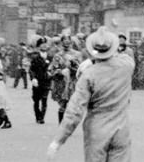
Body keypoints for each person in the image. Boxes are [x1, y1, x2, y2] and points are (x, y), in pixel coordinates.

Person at [48, 27, 134, 162]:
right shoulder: (126, 66)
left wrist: (58, 140)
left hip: (97, 129)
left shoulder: (89, 75)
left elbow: (75, 110)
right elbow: (123, 56)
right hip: (121, 128)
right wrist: (95, 59)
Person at [29, 40, 53, 124]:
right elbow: (31, 69)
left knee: (44, 99)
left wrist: (52, 74)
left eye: (45, 44)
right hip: (37, 80)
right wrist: (33, 78)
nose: (44, 46)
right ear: (39, 46)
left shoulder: (50, 57)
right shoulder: (35, 57)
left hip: (46, 80)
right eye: (42, 45)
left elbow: (54, 67)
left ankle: (42, 117)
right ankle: (37, 115)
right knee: (36, 100)